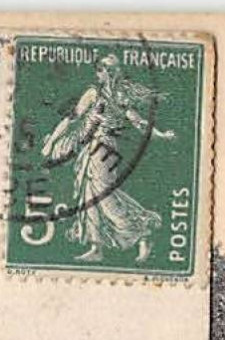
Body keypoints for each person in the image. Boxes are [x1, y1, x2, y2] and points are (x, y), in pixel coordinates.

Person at [40, 53, 176, 264]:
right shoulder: (93, 94)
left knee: (104, 196)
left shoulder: (120, 96)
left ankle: (142, 235)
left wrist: (160, 135)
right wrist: (51, 143)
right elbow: (71, 119)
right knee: (89, 195)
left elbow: (139, 122)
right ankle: (97, 248)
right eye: (103, 69)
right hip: (92, 147)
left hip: (105, 149)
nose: (105, 73)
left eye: (108, 69)